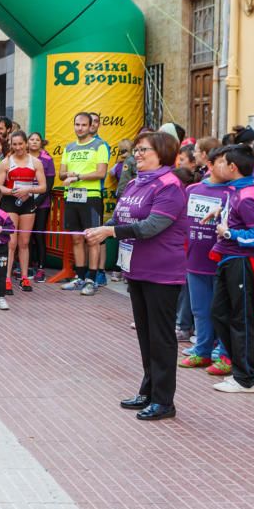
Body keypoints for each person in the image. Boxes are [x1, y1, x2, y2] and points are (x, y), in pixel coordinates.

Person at [84, 132, 186, 421]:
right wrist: (101, 231)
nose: (138, 154)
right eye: (137, 150)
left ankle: (164, 401)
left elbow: (152, 226)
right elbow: (121, 217)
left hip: (162, 271)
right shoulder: (134, 184)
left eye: (144, 150)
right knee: (145, 334)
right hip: (137, 268)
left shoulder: (170, 186)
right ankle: (148, 390)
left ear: (162, 153)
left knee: (161, 337)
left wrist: (110, 232)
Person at [207, 144, 254, 393]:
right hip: (228, 259)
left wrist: (228, 231)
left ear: (232, 167)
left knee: (241, 319)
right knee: (219, 314)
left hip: (242, 262)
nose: (215, 166)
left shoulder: (247, 195)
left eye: (221, 162)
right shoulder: (236, 191)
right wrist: (221, 213)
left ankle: (245, 378)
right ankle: (246, 367)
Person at [178, 151, 230, 370]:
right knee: (200, 309)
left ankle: (225, 353)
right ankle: (202, 350)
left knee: (223, 310)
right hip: (195, 260)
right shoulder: (192, 190)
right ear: (209, 164)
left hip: (222, 261)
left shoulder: (233, 192)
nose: (229, 167)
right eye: (223, 163)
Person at [60, 112, 110, 296]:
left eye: (83, 125)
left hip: (91, 196)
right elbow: (61, 173)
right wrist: (68, 174)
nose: (79, 128)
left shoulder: (100, 146)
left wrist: (78, 176)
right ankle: (80, 277)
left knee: (92, 238)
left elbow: (101, 173)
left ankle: (92, 279)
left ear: (91, 127)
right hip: (71, 196)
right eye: (77, 124)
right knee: (76, 238)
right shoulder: (69, 147)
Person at [0, 131, 47, 294]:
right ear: (11, 145)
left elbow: (43, 187)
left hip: (27, 202)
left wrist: (28, 189)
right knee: (11, 243)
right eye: (14, 144)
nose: (18, 147)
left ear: (26, 144)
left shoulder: (36, 162)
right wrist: (12, 191)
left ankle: (25, 277)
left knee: (24, 242)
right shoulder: (6, 162)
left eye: (20, 144)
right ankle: (7, 278)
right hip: (10, 202)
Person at [27, 132, 55, 282]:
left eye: (37, 140)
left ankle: (41, 268)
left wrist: (36, 203)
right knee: (27, 235)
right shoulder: (23, 157)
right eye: (31, 139)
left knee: (39, 235)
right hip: (25, 202)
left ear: (41, 143)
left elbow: (49, 185)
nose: (34, 142)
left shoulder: (47, 159)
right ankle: (29, 266)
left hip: (41, 203)